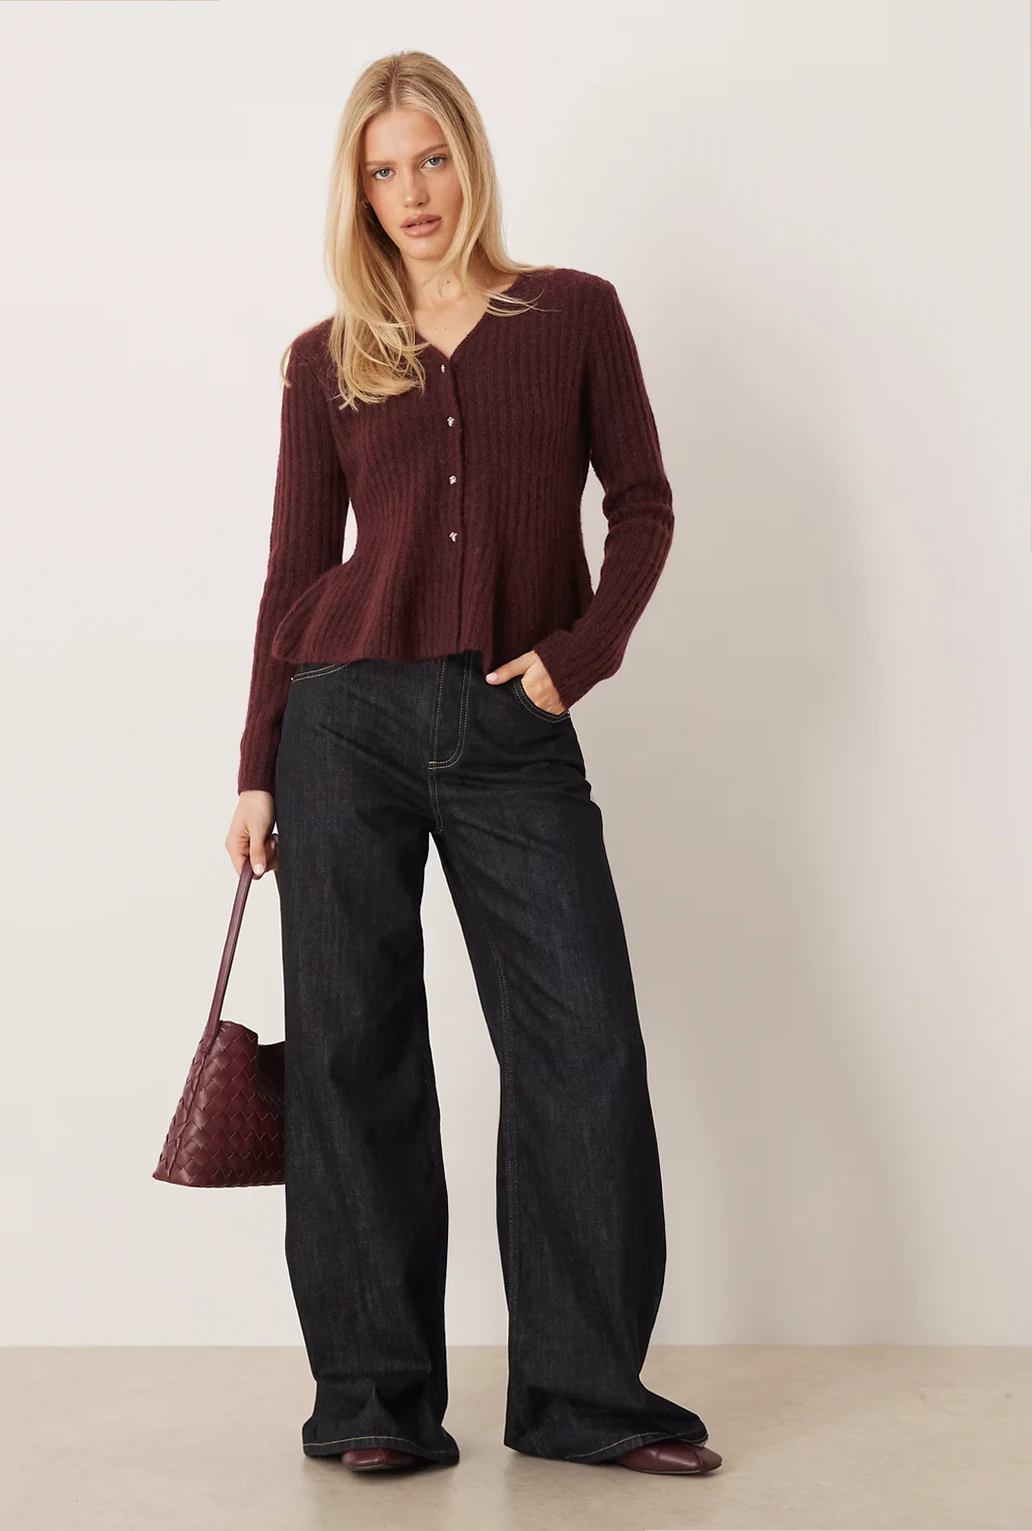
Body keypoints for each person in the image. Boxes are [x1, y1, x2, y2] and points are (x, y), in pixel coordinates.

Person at [226, 49, 722, 1480]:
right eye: (383, 170)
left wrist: (576, 658)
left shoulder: (571, 314)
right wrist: (256, 763)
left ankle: (583, 1395)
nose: (413, 192)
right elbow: (294, 573)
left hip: (514, 729)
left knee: (581, 1045)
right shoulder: (327, 358)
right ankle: (373, 1400)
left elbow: (643, 505)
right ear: (359, 191)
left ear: (471, 158)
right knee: (351, 1055)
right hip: (343, 728)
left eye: (431, 157)